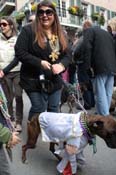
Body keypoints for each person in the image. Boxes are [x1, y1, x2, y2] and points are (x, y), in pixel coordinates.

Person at [15, 0, 71, 121]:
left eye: (48, 12)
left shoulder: (60, 33)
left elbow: (68, 54)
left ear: (54, 15)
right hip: (33, 79)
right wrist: (39, 62)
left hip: (54, 79)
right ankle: (33, 133)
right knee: (39, 107)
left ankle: (52, 136)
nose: (44, 15)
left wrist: (62, 65)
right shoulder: (28, 30)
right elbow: (20, 52)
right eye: (41, 12)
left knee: (54, 107)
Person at [83, 20, 116, 116]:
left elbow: (87, 48)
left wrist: (88, 66)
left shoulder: (89, 31)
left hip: (100, 66)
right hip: (111, 67)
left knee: (100, 92)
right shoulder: (107, 34)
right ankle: (104, 115)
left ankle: (105, 117)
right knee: (107, 93)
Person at [0, 16, 23, 132]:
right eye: (0, 25)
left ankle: (19, 121)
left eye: (4, 24)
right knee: (8, 99)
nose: (2, 27)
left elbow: (18, 57)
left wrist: (4, 70)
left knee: (18, 95)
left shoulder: (18, 39)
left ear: (11, 26)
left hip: (17, 72)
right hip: (3, 74)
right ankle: (11, 119)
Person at [73, 24, 95, 110]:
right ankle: (92, 103)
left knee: (84, 84)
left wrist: (74, 59)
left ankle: (87, 104)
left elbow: (76, 51)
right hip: (89, 64)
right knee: (89, 84)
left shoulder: (83, 39)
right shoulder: (92, 38)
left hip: (82, 64)